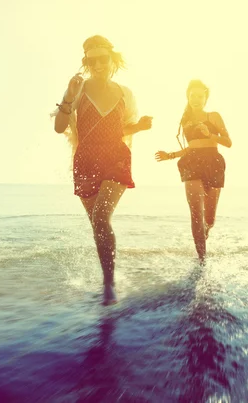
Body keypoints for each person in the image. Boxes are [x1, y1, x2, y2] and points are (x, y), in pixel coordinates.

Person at [53, 35, 152, 305]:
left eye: (102, 59)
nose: (98, 64)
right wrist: (67, 96)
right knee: (97, 225)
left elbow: (124, 128)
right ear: (86, 62)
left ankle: (109, 285)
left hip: (116, 158)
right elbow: (60, 127)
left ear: (112, 60)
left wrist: (139, 126)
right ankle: (108, 276)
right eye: (92, 60)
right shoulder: (78, 89)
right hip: (85, 160)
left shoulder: (125, 93)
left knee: (100, 218)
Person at [155, 80, 232, 262]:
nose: (196, 99)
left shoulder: (214, 116)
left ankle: (203, 236)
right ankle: (202, 261)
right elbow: (191, 147)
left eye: (199, 96)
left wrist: (209, 134)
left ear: (206, 97)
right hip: (191, 163)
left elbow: (228, 142)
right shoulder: (186, 120)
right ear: (188, 97)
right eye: (192, 96)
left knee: (209, 220)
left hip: (213, 162)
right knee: (196, 213)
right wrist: (171, 155)